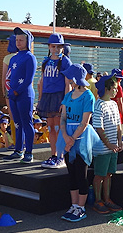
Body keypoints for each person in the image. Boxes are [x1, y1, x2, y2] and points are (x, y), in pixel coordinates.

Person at [57, 64, 99, 222]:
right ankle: (73, 205)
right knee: (72, 173)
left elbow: (85, 121)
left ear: (75, 78)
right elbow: (62, 117)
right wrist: (65, 136)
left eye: (69, 76)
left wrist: (72, 138)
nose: (66, 78)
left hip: (81, 138)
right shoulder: (68, 96)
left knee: (81, 174)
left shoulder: (88, 96)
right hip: (67, 136)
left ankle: (81, 207)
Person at [2, 28, 37, 164]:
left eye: (21, 40)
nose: (18, 42)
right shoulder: (14, 58)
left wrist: (17, 90)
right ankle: (18, 150)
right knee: (17, 124)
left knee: (27, 123)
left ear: (27, 41)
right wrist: (10, 90)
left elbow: (29, 79)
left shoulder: (30, 57)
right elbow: (8, 76)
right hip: (13, 94)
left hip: (25, 95)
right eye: (17, 40)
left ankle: (29, 152)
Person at [38, 33, 72, 168]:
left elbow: (67, 84)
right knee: (51, 127)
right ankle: (53, 155)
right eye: (53, 46)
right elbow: (42, 81)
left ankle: (60, 157)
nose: (56, 49)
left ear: (63, 48)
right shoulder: (45, 62)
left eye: (59, 47)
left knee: (59, 128)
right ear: (49, 47)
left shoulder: (65, 61)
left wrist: (65, 101)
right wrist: (40, 99)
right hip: (47, 96)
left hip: (59, 96)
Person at [91, 75, 123, 214]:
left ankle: (107, 199)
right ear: (107, 89)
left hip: (113, 147)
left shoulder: (114, 104)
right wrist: (108, 144)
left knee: (109, 174)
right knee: (99, 175)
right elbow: (98, 127)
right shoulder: (98, 104)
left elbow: (118, 124)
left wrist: (119, 140)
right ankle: (98, 200)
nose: (116, 91)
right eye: (114, 88)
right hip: (102, 148)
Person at [2, 35, 17, 146]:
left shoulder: (7, 58)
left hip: (10, 89)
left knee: (12, 115)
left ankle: (16, 140)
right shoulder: (24, 56)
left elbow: (4, 76)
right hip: (22, 89)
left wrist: (4, 91)